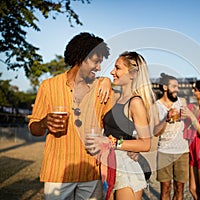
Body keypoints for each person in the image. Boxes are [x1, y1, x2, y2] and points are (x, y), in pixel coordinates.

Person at [28, 32, 112, 199]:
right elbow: (34, 128)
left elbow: (112, 130)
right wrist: (44, 123)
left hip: (91, 172)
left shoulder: (102, 90)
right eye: (96, 62)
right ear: (80, 58)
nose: (99, 68)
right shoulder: (48, 86)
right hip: (58, 174)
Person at [86, 51, 156, 200]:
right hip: (111, 164)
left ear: (132, 73)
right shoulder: (117, 98)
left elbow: (146, 143)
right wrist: (104, 79)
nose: (112, 72)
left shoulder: (135, 102)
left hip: (126, 167)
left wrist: (112, 143)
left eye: (117, 68)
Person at [154, 73, 189, 200]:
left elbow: (192, 121)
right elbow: (156, 132)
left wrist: (189, 116)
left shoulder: (182, 102)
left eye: (177, 86)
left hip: (182, 151)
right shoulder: (156, 106)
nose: (177, 89)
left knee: (179, 188)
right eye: (174, 86)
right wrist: (166, 118)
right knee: (166, 188)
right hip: (164, 151)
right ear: (164, 87)